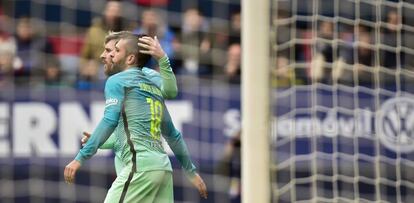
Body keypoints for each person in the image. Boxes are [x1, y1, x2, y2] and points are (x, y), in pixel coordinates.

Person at [64, 32, 207, 202]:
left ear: (130, 58)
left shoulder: (118, 81)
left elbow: (109, 121)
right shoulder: (151, 88)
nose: (107, 55)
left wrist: (80, 158)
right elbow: (171, 134)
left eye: (114, 50)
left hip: (140, 167)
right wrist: (191, 172)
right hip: (162, 168)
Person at [82, 30, 178, 175]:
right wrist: (99, 140)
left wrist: (163, 59)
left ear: (128, 56)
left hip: (141, 169)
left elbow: (171, 93)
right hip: (141, 169)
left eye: (110, 50)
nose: (103, 55)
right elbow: (126, 135)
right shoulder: (117, 82)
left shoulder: (147, 76)